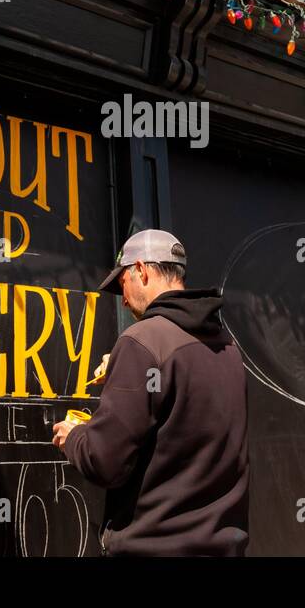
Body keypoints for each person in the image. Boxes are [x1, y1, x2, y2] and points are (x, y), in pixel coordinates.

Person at [52, 229, 249, 556]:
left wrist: (75, 436)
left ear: (141, 271)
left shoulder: (142, 341)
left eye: (122, 284)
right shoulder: (227, 347)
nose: (124, 299)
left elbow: (105, 462)